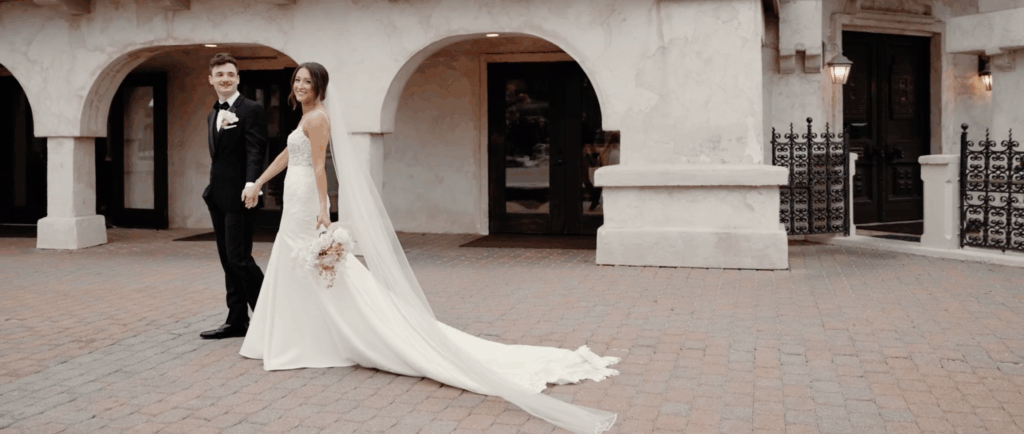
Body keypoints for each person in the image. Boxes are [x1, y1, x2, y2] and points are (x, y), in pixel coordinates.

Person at [238, 62, 618, 434]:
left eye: (308, 81)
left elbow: (320, 166)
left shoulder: (318, 118)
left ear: (320, 87)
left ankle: (321, 335)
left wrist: (324, 209)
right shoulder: (304, 118)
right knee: (301, 265)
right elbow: (290, 156)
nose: (301, 85)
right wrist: (257, 182)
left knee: (315, 264)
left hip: (306, 199)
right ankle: (296, 334)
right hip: (293, 194)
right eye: (297, 80)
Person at [200, 53, 267, 340]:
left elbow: (256, 150)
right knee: (228, 260)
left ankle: (268, 314)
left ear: (238, 78)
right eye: (219, 74)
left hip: (241, 196)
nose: (225, 79)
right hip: (217, 197)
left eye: (230, 74)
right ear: (211, 79)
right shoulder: (212, 114)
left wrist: (252, 183)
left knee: (240, 259)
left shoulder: (251, 109)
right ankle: (237, 320)